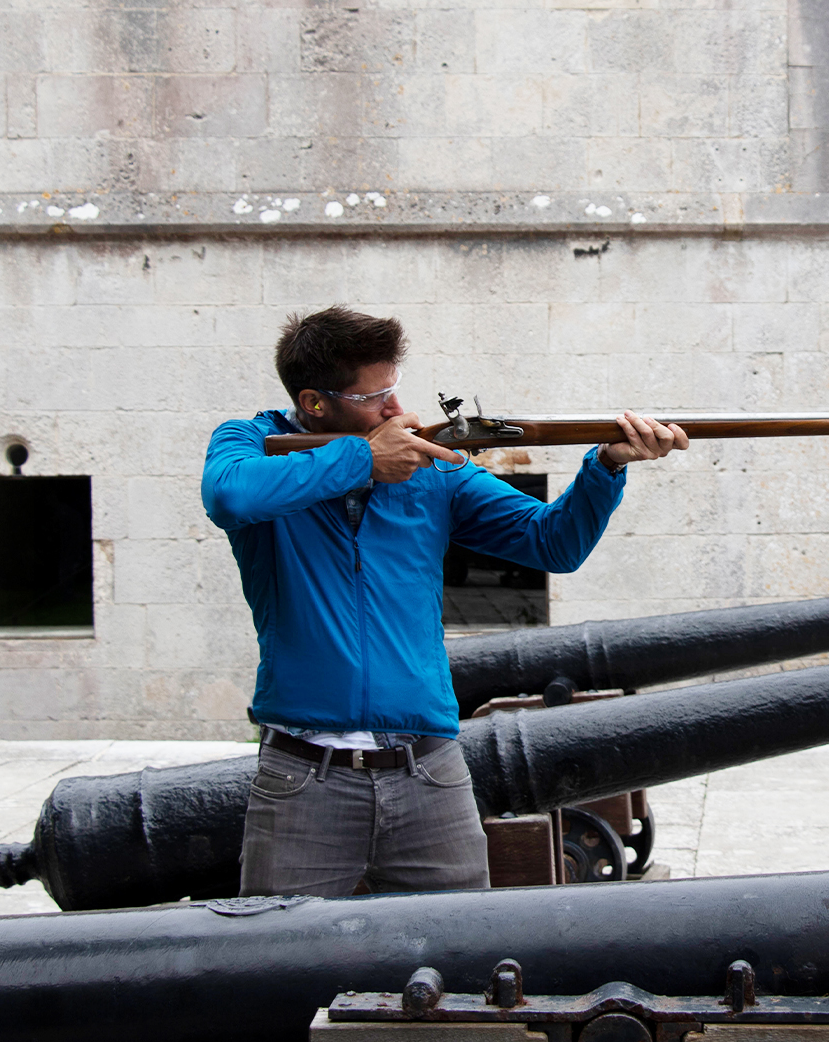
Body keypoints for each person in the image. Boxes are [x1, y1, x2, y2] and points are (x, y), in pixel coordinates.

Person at [201, 306, 687, 897]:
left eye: (395, 389)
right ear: (315, 403)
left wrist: (607, 464)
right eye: (374, 396)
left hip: (430, 771)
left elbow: (553, 543)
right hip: (303, 776)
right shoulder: (248, 441)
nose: (397, 411)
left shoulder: (435, 471)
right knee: (276, 969)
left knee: (460, 964)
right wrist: (361, 459)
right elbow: (228, 496)